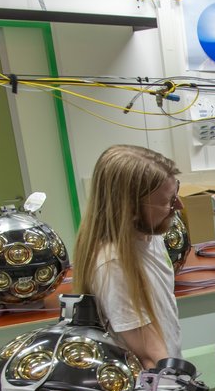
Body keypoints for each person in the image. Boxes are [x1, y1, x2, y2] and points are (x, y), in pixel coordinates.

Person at [72, 145, 183, 368]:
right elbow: (150, 357)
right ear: (129, 208)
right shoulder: (114, 264)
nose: (178, 206)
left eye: (175, 194)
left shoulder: (149, 235)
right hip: (153, 390)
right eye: (167, 202)